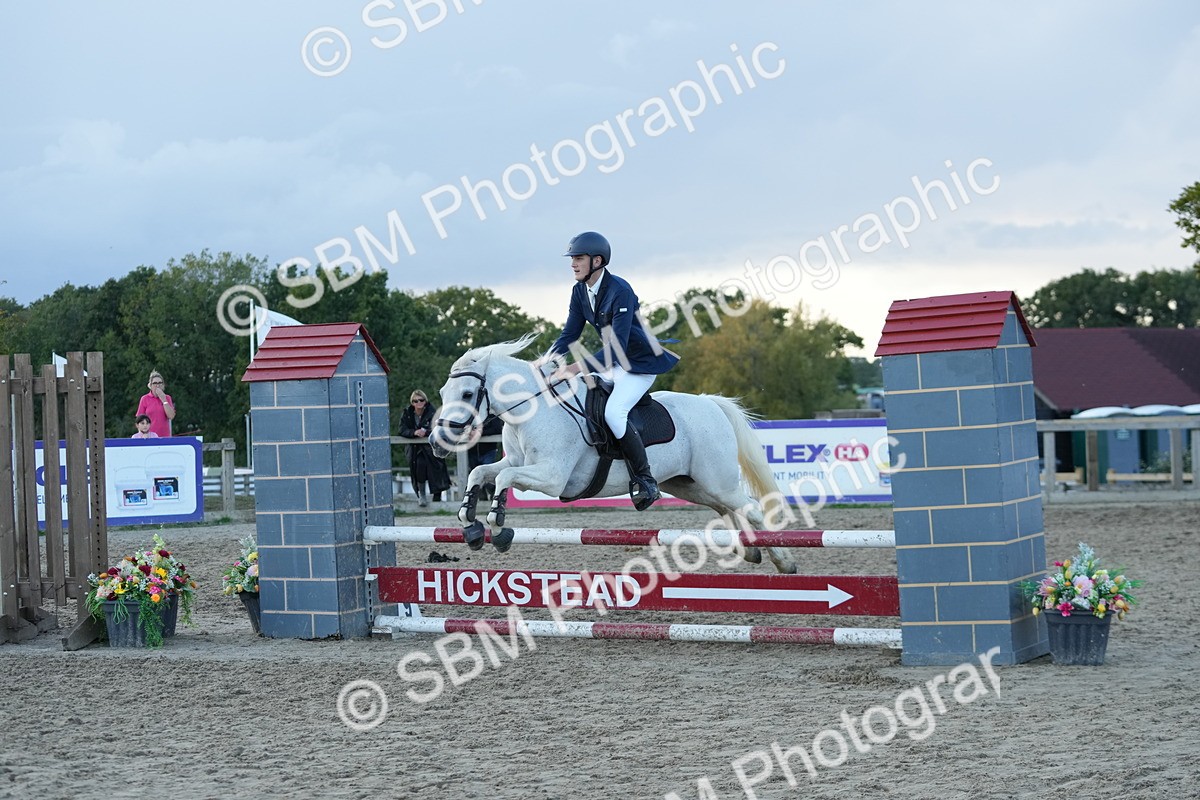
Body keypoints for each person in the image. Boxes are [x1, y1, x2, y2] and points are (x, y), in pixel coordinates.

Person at [544, 231, 679, 511]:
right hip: (614, 364)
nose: (573, 264)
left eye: (578, 258)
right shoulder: (580, 291)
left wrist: (574, 367)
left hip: (638, 365)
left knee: (613, 413)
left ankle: (645, 480)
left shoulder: (620, 291)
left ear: (597, 260)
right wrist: (547, 362)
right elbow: (570, 333)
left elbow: (615, 349)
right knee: (584, 399)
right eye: (573, 259)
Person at [398, 390, 451, 507]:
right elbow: (402, 430)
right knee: (419, 468)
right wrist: (414, 432)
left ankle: (437, 498)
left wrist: (426, 432)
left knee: (437, 470)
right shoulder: (407, 413)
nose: (419, 403)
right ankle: (421, 495)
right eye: (415, 401)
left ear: (425, 401)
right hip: (415, 449)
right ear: (412, 403)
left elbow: (439, 428)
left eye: (421, 400)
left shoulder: (433, 412)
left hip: (432, 447)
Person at [135, 370, 176, 438]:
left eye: (160, 383)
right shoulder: (145, 399)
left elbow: (171, 416)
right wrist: (142, 434)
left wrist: (164, 400)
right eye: (155, 383)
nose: (158, 385)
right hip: (149, 437)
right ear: (150, 385)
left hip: (164, 437)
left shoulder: (167, 398)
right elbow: (139, 419)